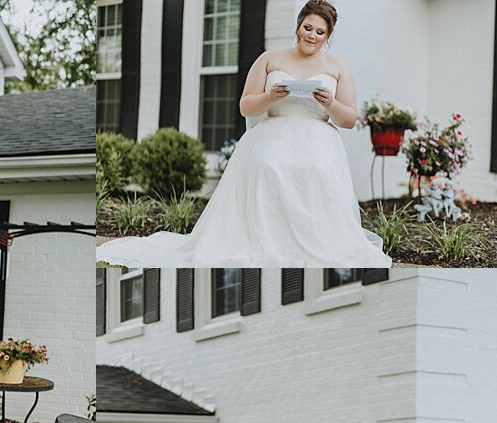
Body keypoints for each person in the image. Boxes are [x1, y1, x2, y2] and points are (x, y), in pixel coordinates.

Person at [96, 1, 390, 268]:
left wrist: (330, 103)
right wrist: (271, 96)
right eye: (307, 27)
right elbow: (246, 106)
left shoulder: (337, 66)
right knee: (268, 166)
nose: (311, 36)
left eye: (320, 32)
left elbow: (349, 119)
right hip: (274, 130)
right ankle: (264, 241)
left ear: (329, 35)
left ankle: (314, 241)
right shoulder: (269, 58)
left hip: (318, 138)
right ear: (298, 26)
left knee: (314, 171)